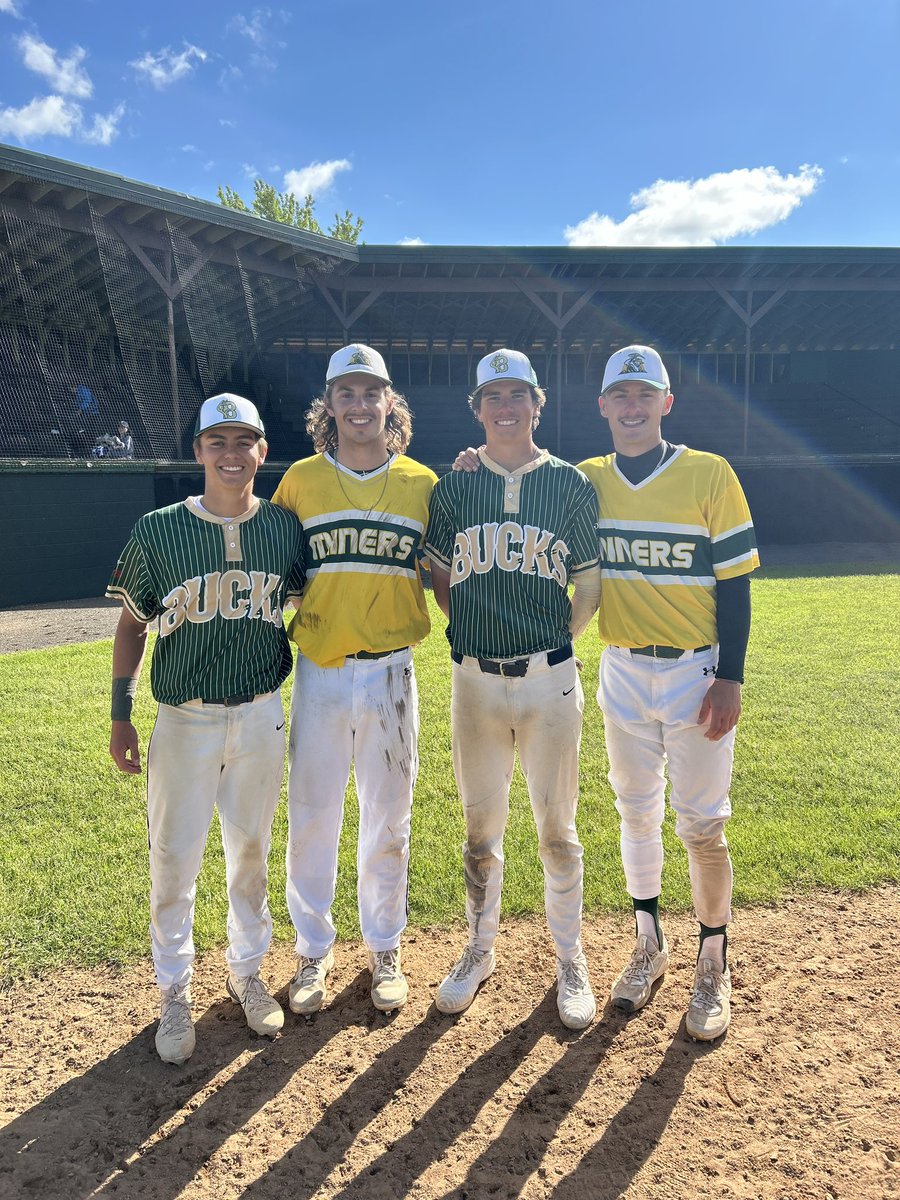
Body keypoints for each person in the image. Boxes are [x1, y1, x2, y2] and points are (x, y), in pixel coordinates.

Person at [106, 393, 305, 1065]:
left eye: (242, 440)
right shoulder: (158, 530)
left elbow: (306, 612)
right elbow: (132, 625)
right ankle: (173, 989)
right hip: (183, 719)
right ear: (197, 451)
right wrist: (118, 712)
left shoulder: (282, 529)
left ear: (261, 452)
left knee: (250, 854)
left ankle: (246, 972)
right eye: (216, 440)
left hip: (258, 712)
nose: (229, 453)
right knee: (174, 858)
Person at [577, 345, 759, 1040]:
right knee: (634, 812)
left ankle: (714, 958)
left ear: (665, 403)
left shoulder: (708, 473)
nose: (631, 406)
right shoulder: (585, 480)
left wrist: (731, 675)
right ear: (602, 405)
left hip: (695, 673)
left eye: (643, 394)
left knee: (703, 824)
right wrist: (473, 463)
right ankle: (647, 944)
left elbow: (736, 583)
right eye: (619, 395)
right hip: (621, 668)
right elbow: (524, 483)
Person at [426, 349, 602, 1030]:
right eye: (492, 396)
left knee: (558, 832)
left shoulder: (570, 484)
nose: (506, 407)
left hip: (548, 679)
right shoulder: (453, 487)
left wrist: (558, 645)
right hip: (473, 679)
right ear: (476, 409)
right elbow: (442, 579)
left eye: (517, 395)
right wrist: (470, 630)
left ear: (538, 403)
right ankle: (479, 948)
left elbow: (587, 585)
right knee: (480, 831)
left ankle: (569, 957)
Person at [272, 344, 436, 1015]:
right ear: (329, 404)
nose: (361, 405)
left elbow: (450, 572)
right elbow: (272, 578)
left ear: (390, 403)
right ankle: (312, 950)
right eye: (348, 392)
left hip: (393, 673)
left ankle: (384, 947)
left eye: (373, 393)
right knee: (312, 816)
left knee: (388, 819)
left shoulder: (423, 485)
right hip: (321, 672)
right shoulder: (301, 482)